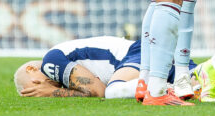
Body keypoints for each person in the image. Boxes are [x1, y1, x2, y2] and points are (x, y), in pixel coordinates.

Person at [14, 36, 194, 99]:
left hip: (137, 55)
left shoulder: (51, 61)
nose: (44, 88)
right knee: (210, 84)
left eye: (36, 86)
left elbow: (98, 91)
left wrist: (50, 93)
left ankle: (166, 89)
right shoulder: (65, 65)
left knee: (113, 91)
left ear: (31, 70)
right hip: (145, 55)